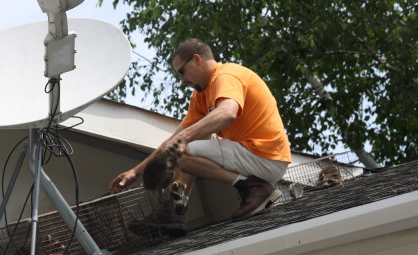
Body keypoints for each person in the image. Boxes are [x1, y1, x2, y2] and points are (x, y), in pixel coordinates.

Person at [109, 38, 291, 236]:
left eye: (182, 71)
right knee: (183, 144)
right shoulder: (201, 97)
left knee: (182, 149)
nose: (182, 80)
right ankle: (174, 210)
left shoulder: (226, 75)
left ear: (197, 59)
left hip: (265, 157)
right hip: (253, 156)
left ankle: (252, 187)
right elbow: (174, 139)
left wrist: (184, 139)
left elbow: (227, 113)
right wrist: (135, 173)